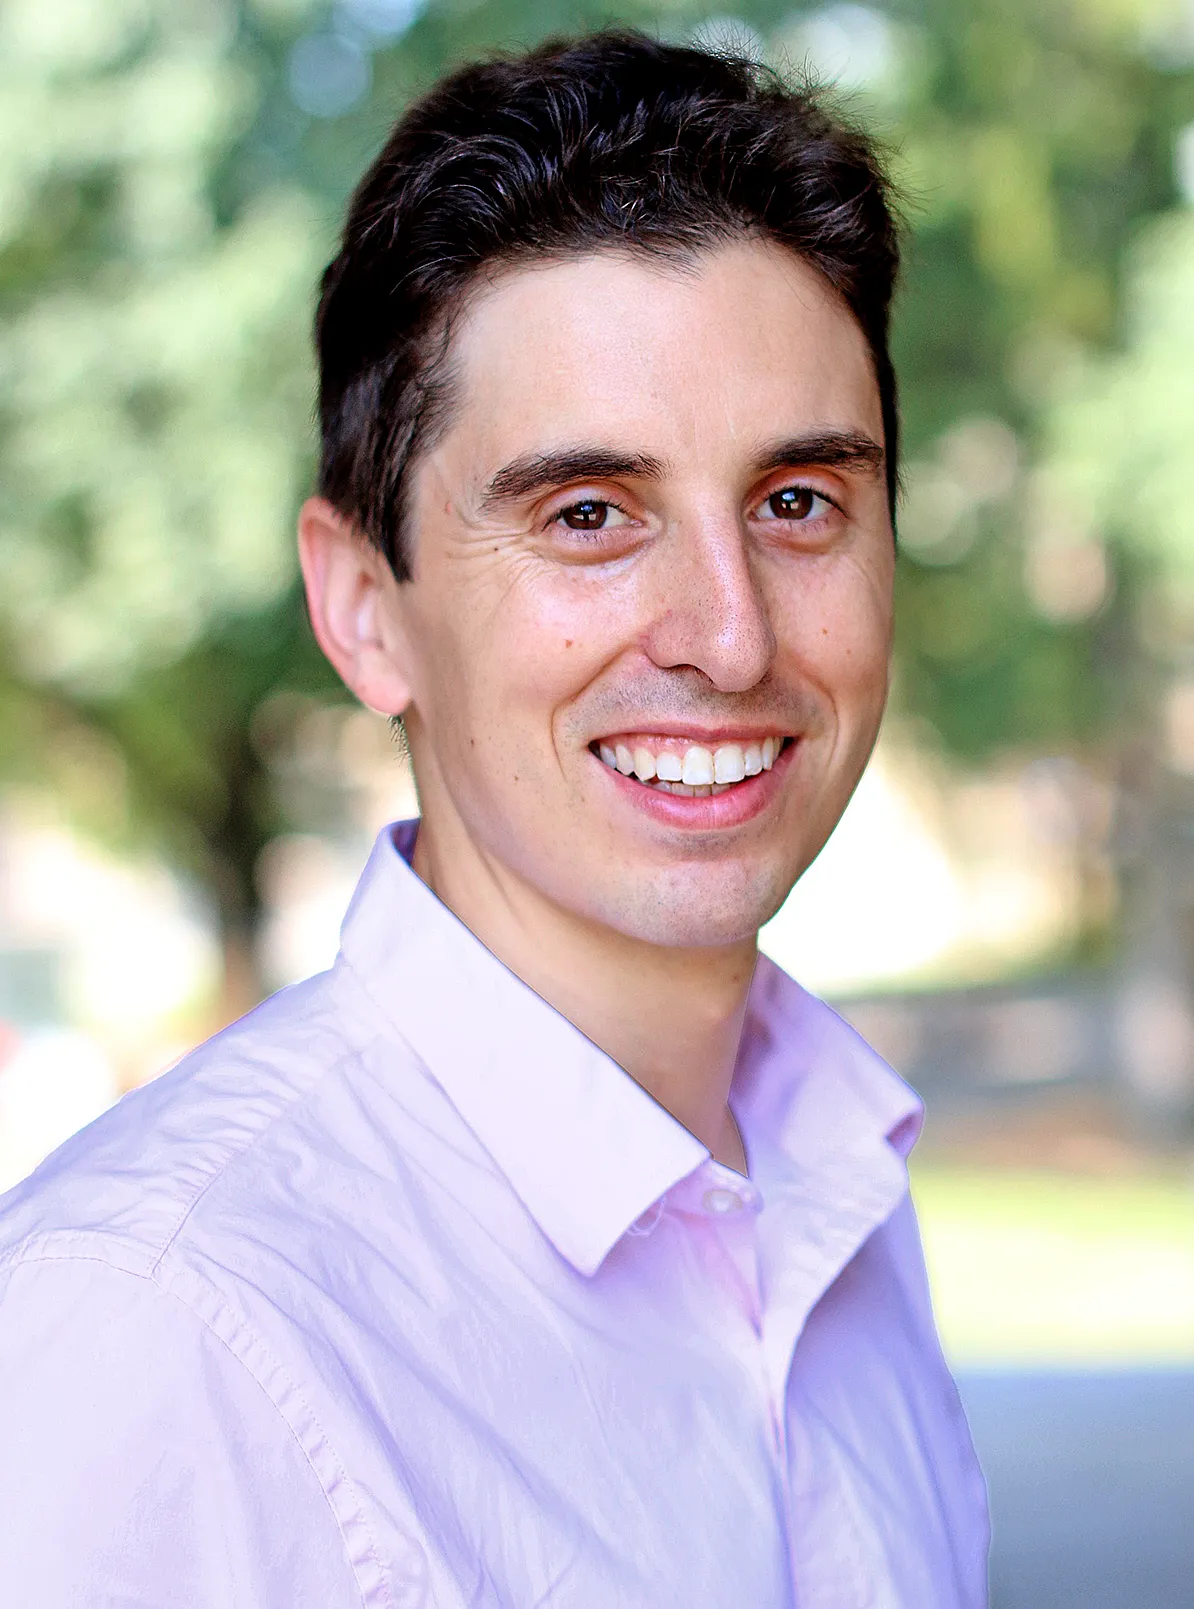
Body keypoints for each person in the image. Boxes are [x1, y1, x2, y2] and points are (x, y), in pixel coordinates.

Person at [0, 31, 989, 1608]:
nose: (727, 638)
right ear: (362, 609)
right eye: (587, 516)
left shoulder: (833, 1196)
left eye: (797, 500)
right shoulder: (151, 1331)